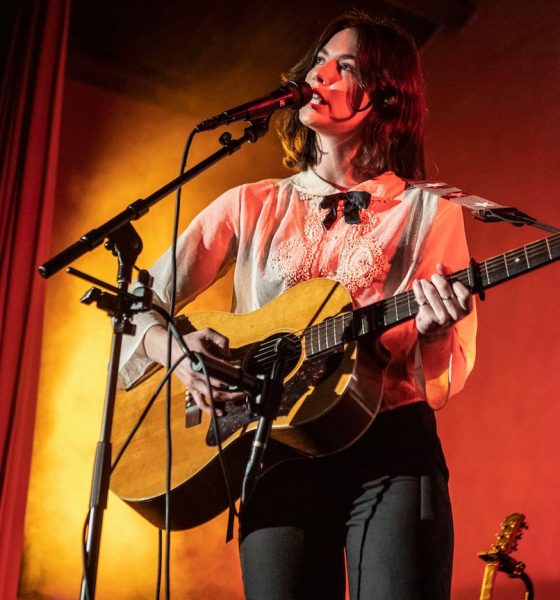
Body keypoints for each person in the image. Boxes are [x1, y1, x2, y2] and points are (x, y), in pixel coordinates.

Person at [118, 9, 476, 600]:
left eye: (346, 68)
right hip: (277, 445)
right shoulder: (251, 204)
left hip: (390, 446)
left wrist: (436, 330)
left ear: (385, 98)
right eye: (319, 61)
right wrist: (181, 355)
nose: (321, 76)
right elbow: (139, 301)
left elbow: (436, 372)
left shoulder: (430, 211)